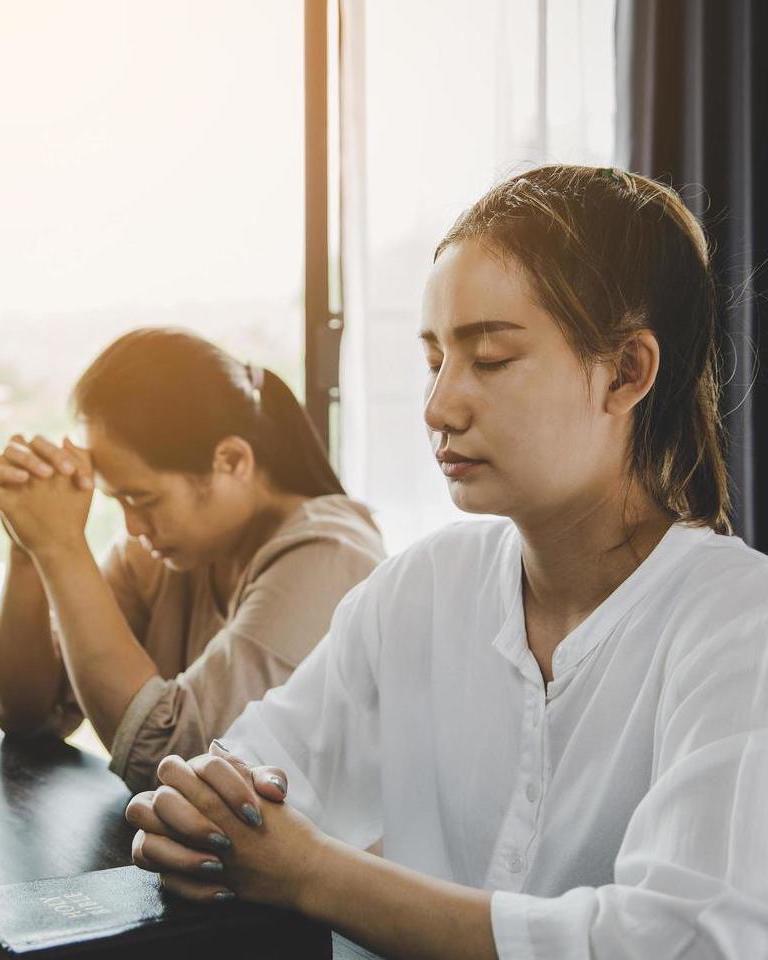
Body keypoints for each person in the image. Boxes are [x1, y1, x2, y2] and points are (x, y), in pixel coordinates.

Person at [126, 166, 768, 960]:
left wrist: (312, 875)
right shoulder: (422, 587)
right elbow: (247, 770)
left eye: (490, 359)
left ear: (628, 372)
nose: (438, 407)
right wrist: (193, 814)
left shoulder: (739, 623)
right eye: (434, 360)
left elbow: (686, 940)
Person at [0, 328, 385, 794]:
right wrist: (29, 551)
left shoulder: (329, 558)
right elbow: (28, 715)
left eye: (143, 499)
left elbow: (180, 762)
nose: (133, 528)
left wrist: (62, 549)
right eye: (118, 501)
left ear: (231, 460)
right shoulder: (166, 556)